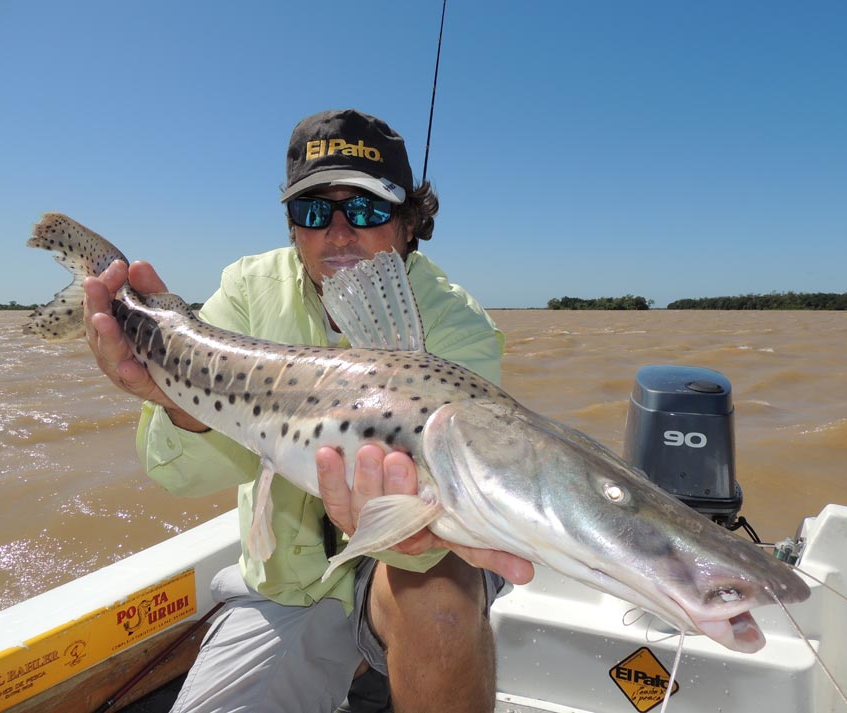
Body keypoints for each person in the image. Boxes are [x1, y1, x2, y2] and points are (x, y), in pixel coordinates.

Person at [82, 108, 534, 713]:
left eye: (368, 209)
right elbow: (177, 476)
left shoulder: (454, 321)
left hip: (412, 563)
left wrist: (404, 525)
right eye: (314, 211)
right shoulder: (244, 290)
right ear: (293, 226)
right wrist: (179, 402)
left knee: (441, 606)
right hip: (286, 585)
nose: (339, 232)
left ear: (408, 223)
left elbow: (448, 519)